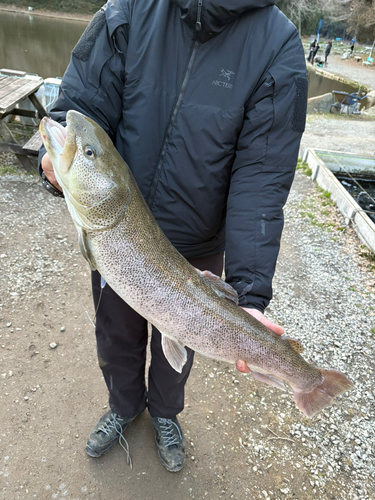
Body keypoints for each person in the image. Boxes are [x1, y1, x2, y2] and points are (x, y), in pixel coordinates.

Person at [39, 0, 307, 473]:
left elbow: (261, 177)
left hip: (199, 246)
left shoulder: (277, 44)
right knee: (115, 336)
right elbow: (83, 108)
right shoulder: (129, 9)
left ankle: (165, 413)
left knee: (179, 352)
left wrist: (249, 292)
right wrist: (57, 154)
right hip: (118, 238)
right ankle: (124, 406)